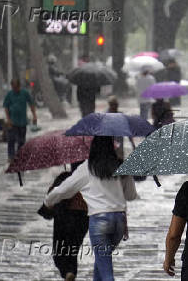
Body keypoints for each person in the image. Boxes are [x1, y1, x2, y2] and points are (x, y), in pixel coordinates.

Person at [44, 136, 138, 281]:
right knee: (102, 262)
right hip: (119, 221)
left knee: (106, 272)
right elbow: (131, 195)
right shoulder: (121, 166)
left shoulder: (88, 167)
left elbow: (65, 189)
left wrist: (48, 200)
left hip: (100, 220)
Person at [46, 162, 88, 281]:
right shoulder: (91, 179)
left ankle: (67, 272)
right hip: (84, 217)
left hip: (64, 215)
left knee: (60, 250)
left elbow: (53, 194)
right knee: (73, 248)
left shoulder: (66, 177)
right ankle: (71, 271)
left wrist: (48, 203)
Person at [3, 79, 37, 161]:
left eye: (16, 87)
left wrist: (34, 116)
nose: (15, 89)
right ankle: (11, 157)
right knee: (11, 140)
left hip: (22, 122)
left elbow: (31, 104)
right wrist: (8, 119)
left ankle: (20, 156)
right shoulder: (9, 94)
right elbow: (6, 107)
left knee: (21, 141)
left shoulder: (24, 93)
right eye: (13, 87)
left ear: (19, 86)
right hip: (12, 122)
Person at [106, 95, 135, 160]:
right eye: (112, 104)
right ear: (109, 105)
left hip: (118, 145)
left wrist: (132, 143)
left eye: (115, 104)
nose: (114, 106)